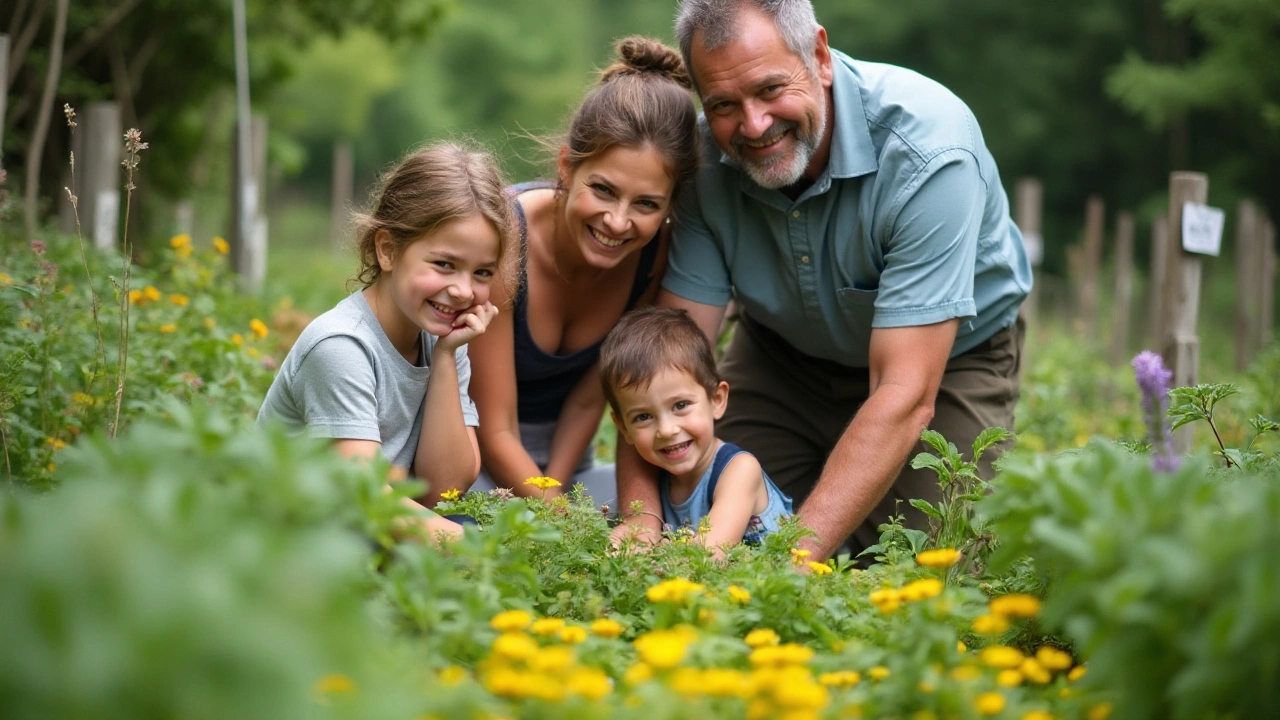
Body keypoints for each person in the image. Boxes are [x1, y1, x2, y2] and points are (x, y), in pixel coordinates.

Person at [614, 0, 1033, 561]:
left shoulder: (930, 152)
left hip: (947, 364)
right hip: (780, 357)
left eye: (769, 90)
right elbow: (661, 365)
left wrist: (788, 569)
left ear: (819, 56)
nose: (754, 125)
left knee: (913, 560)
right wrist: (643, 520)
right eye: (723, 104)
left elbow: (905, 394)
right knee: (697, 505)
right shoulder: (703, 162)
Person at [466, 37, 700, 506]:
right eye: (604, 190)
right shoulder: (504, 243)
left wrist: (556, 494)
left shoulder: (653, 256)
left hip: (565, 462)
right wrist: (559, 520)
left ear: (671, 205)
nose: (618, 222)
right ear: (567, 167)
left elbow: (588, 399)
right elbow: (495, 430)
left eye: (647, 204)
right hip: (471, 455)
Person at [257, 141, 516, 541]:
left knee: (461, 527)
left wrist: (446, 358)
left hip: (369, 529)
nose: (464, 291)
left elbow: (442, 489)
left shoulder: (442, 338)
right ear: (388, 250)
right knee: (465, 539)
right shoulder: (341, 346)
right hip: (295, 539)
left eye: (482, 272)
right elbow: (367, 498)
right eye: (444, 264)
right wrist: (479, 552)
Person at [600, 307, 792, 549]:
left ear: (716, 400)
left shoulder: (739, 471)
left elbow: (708, 557)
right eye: (643, 417)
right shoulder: (653, 481)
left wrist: (642, 554)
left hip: (773, 585)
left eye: (681, 405)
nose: (667, 430)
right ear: (623, 428)